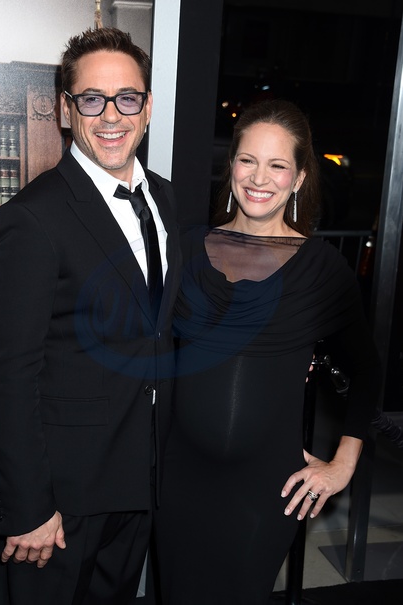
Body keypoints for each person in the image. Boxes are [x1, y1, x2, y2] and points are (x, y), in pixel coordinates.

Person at [0, 27, 181, 605]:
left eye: (127, 98)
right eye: (92, 99)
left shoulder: (166, 200)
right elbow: (6, 375)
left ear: (147, 106)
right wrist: (28, 508)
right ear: (67, 110)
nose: (111, 116)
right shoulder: (32, 217)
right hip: (59, 503)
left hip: (139, 483)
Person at [154, 99, 381, 605]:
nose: (260, 178)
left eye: (277, 165)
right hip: (178, 479)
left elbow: (367, 372)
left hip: (266, 489)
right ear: (231, 166)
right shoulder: (184, 250)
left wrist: (343, 463)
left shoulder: (322, 270)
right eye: (248, 160)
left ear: (298, 179)